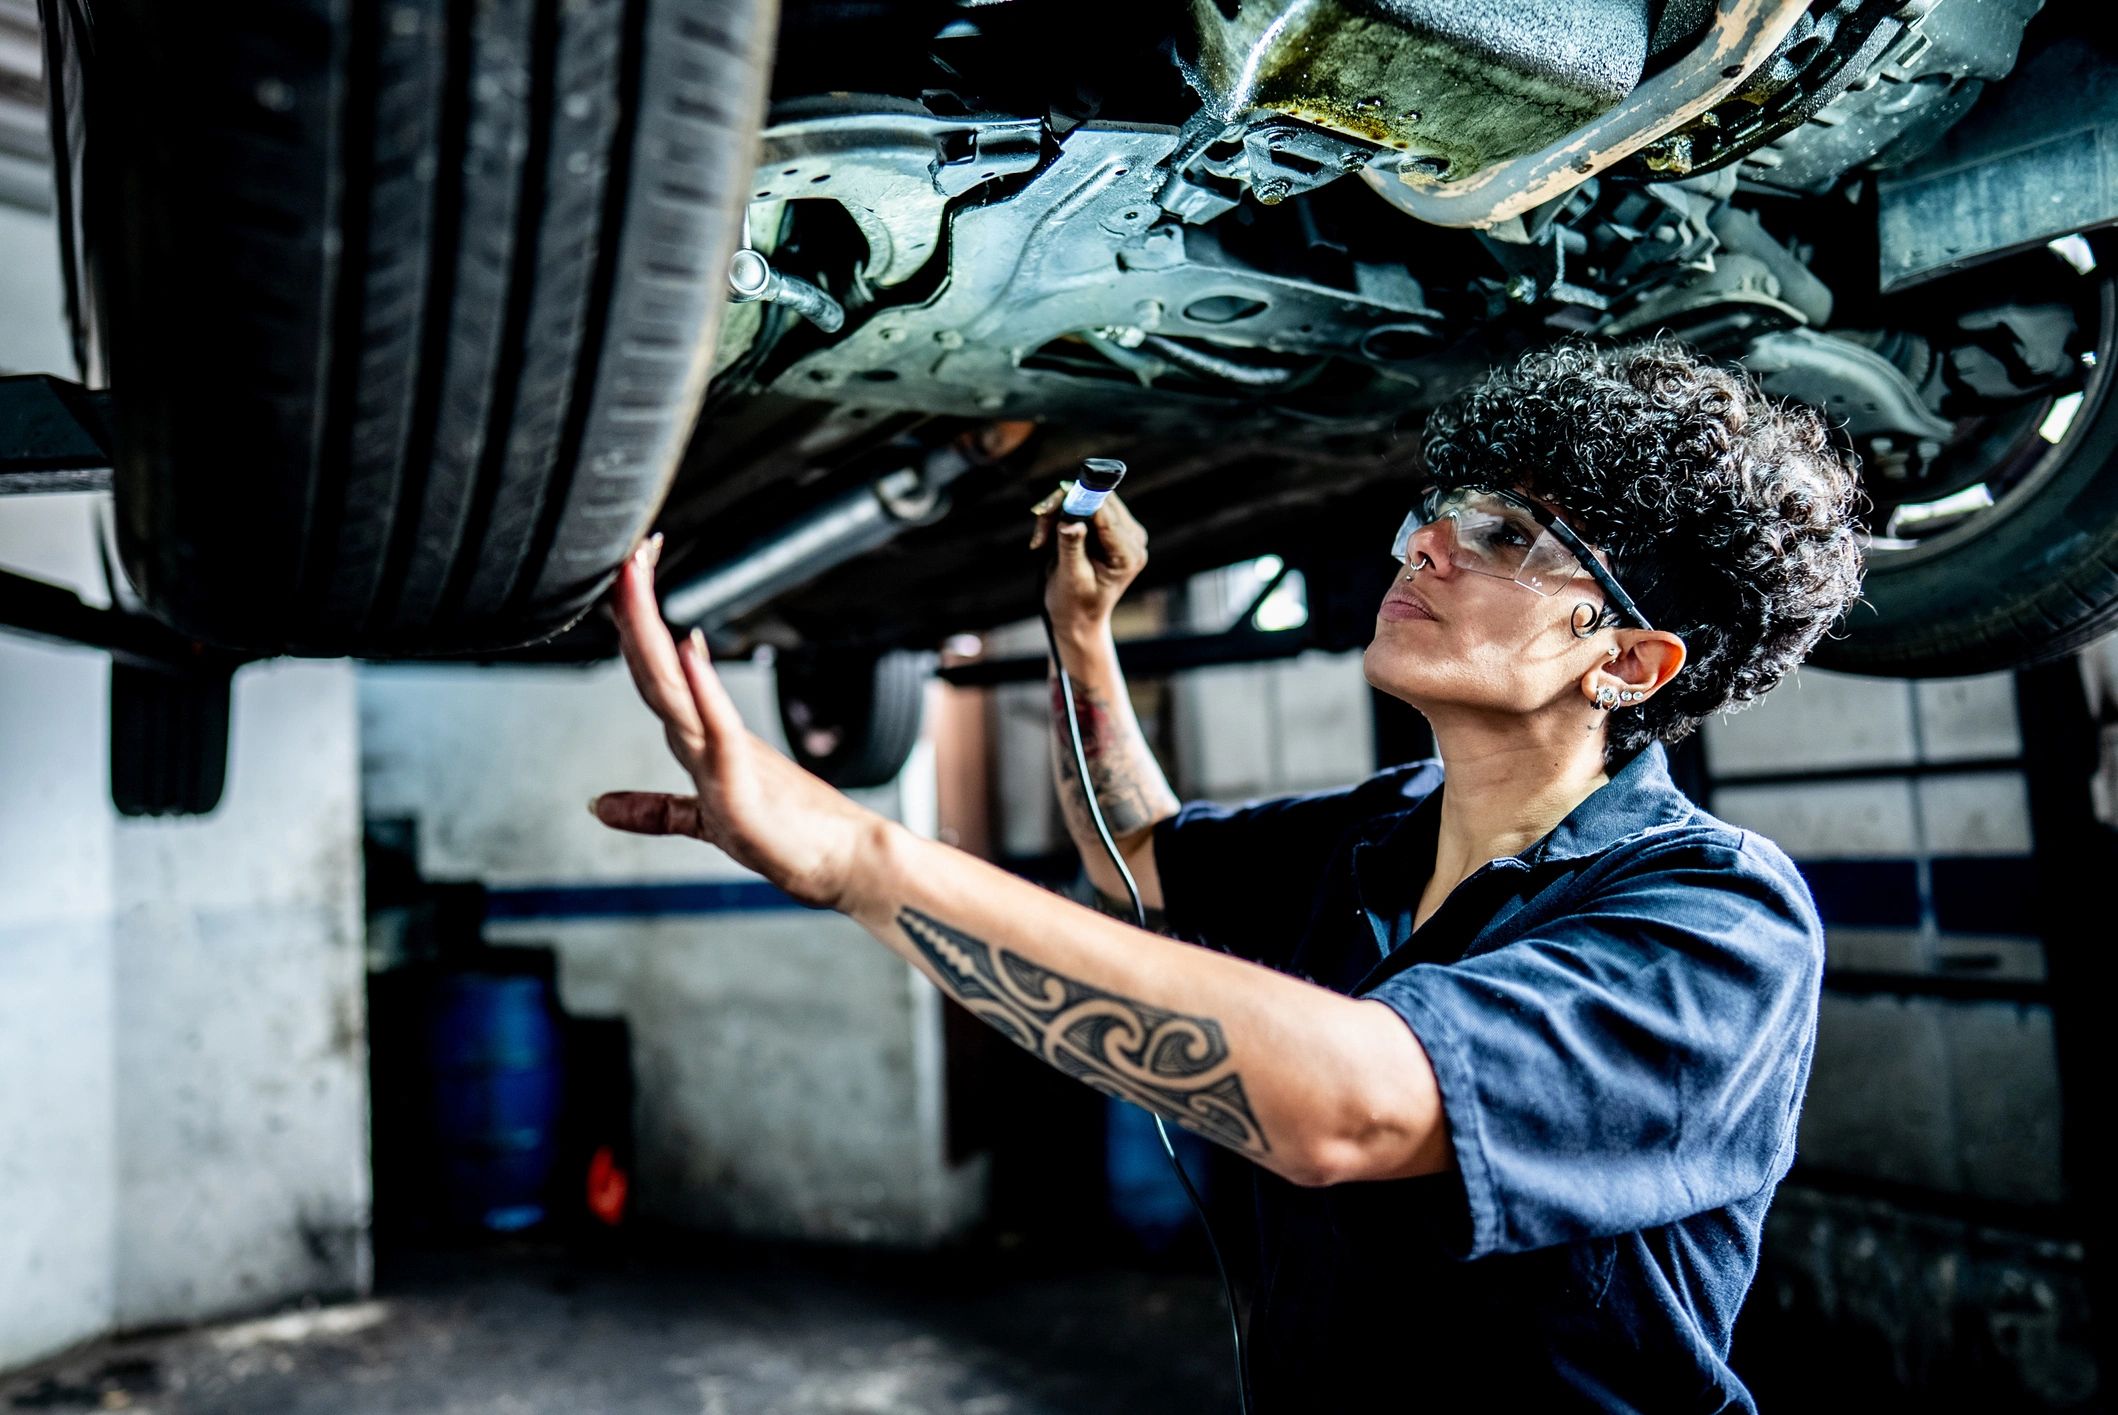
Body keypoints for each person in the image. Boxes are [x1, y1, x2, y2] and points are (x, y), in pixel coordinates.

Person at [588, 337, 1868, 1412]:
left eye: (1508, 534)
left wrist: (861, 857)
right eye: (1444, 511)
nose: (1425, 543)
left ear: (1628, 662)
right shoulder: (1378, 835)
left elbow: (1351, 1108)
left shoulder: (1716, 917)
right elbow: (1139, 852)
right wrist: (1082, 635)